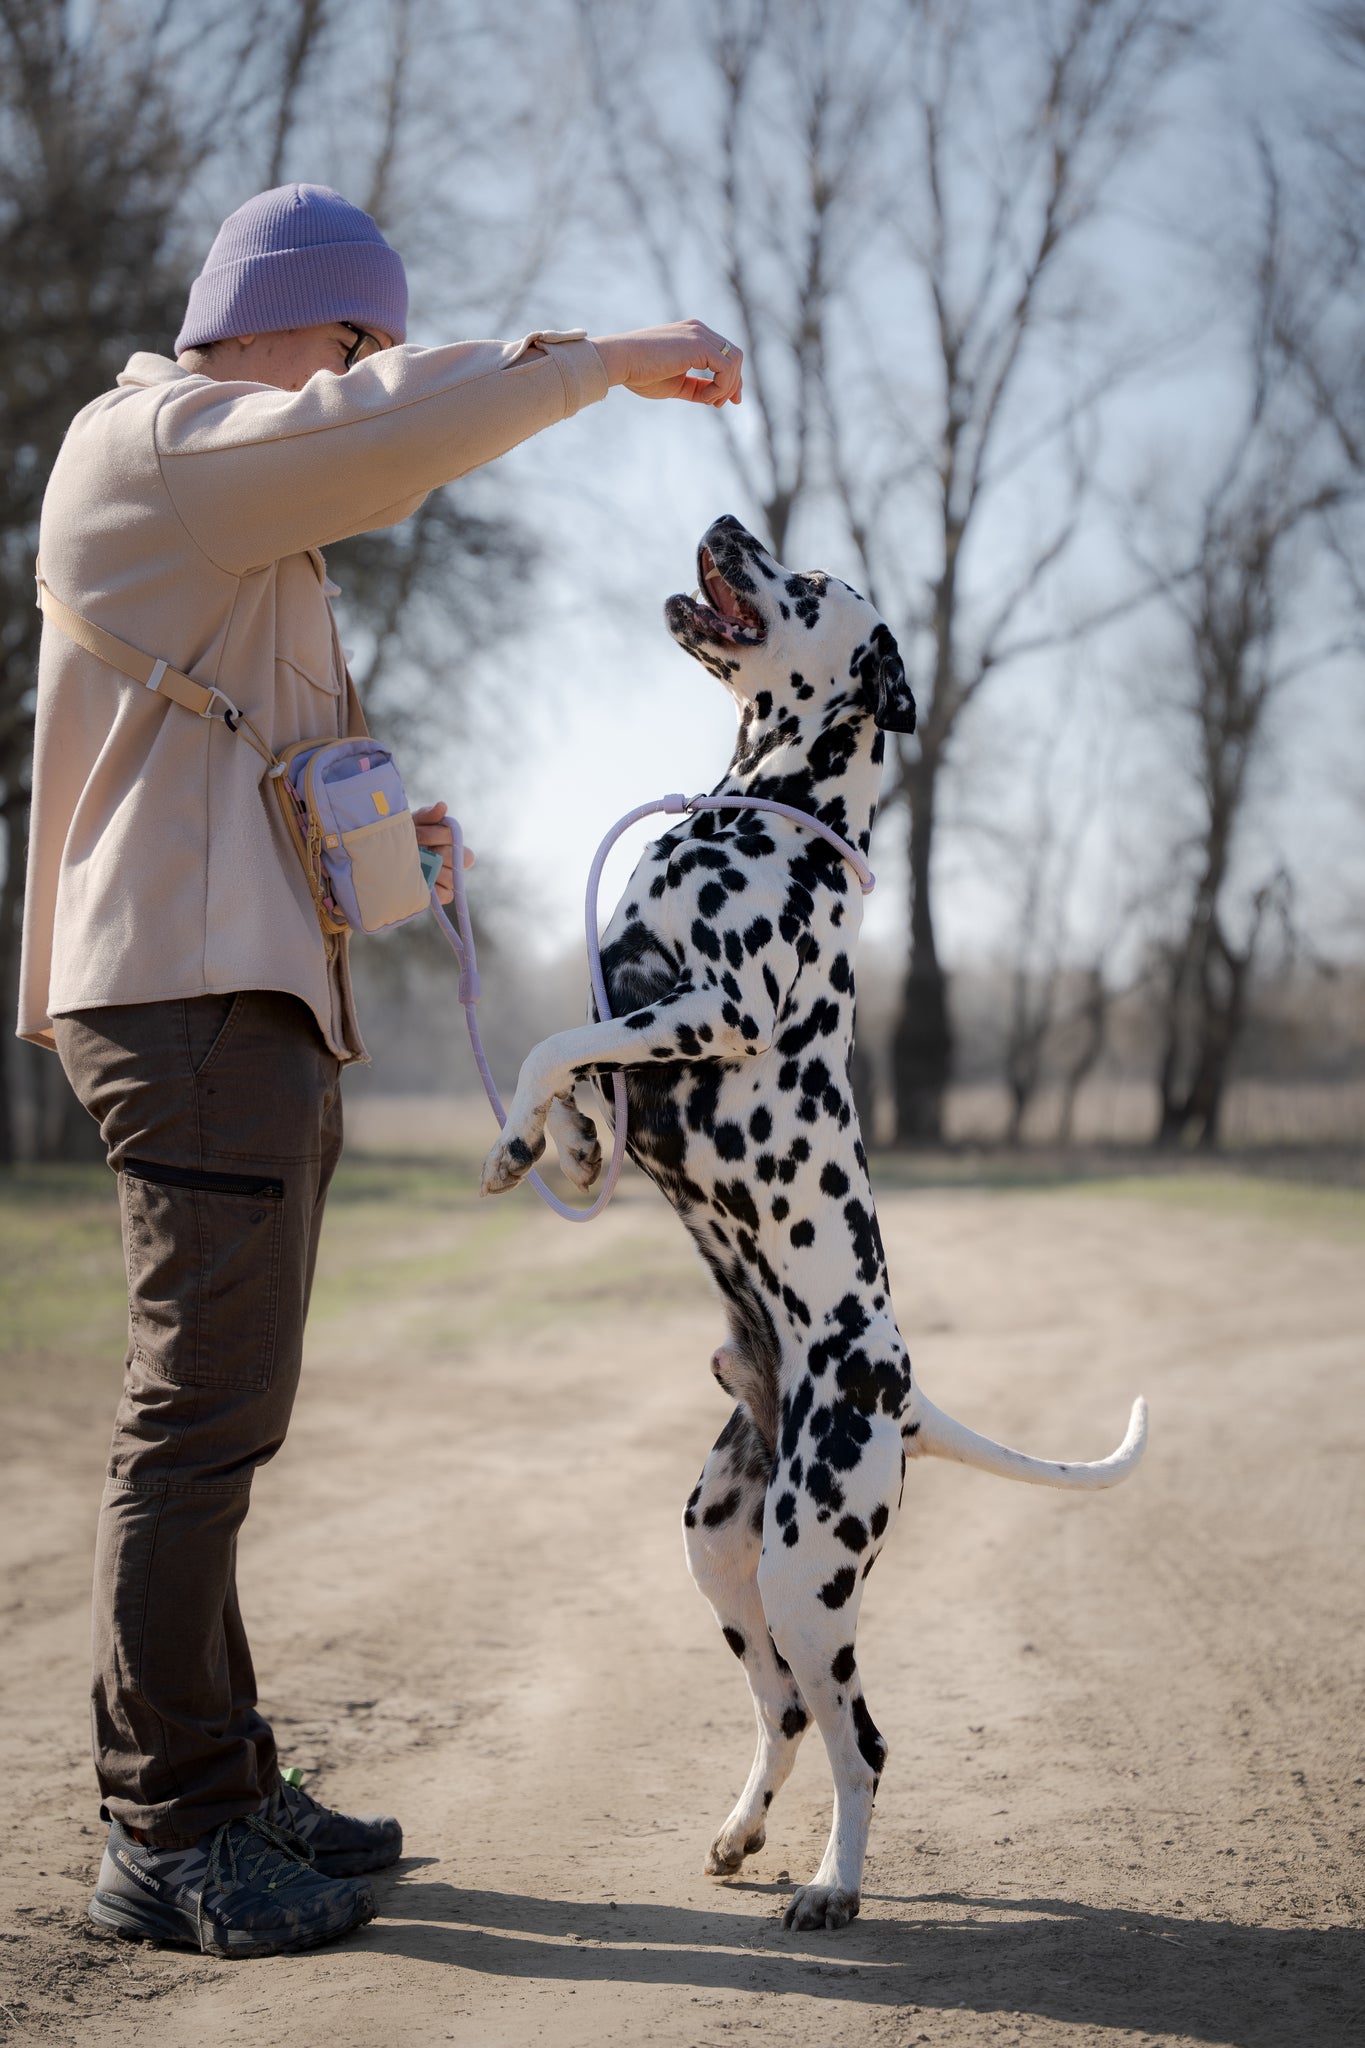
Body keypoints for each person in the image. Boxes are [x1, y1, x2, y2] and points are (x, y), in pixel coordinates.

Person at [17, 182, 743, 1958]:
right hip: (186, 1002)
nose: (364, 374)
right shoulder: (164, 441)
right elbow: (381, 431)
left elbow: (259, 762)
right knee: (192, 1430)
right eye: (353, 345)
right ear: (278, 321)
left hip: (245, 994)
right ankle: (166, 1831)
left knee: (225, 1420)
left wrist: (373, 825)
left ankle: (224, 1776)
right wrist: (601, 361)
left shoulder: (245, 532)